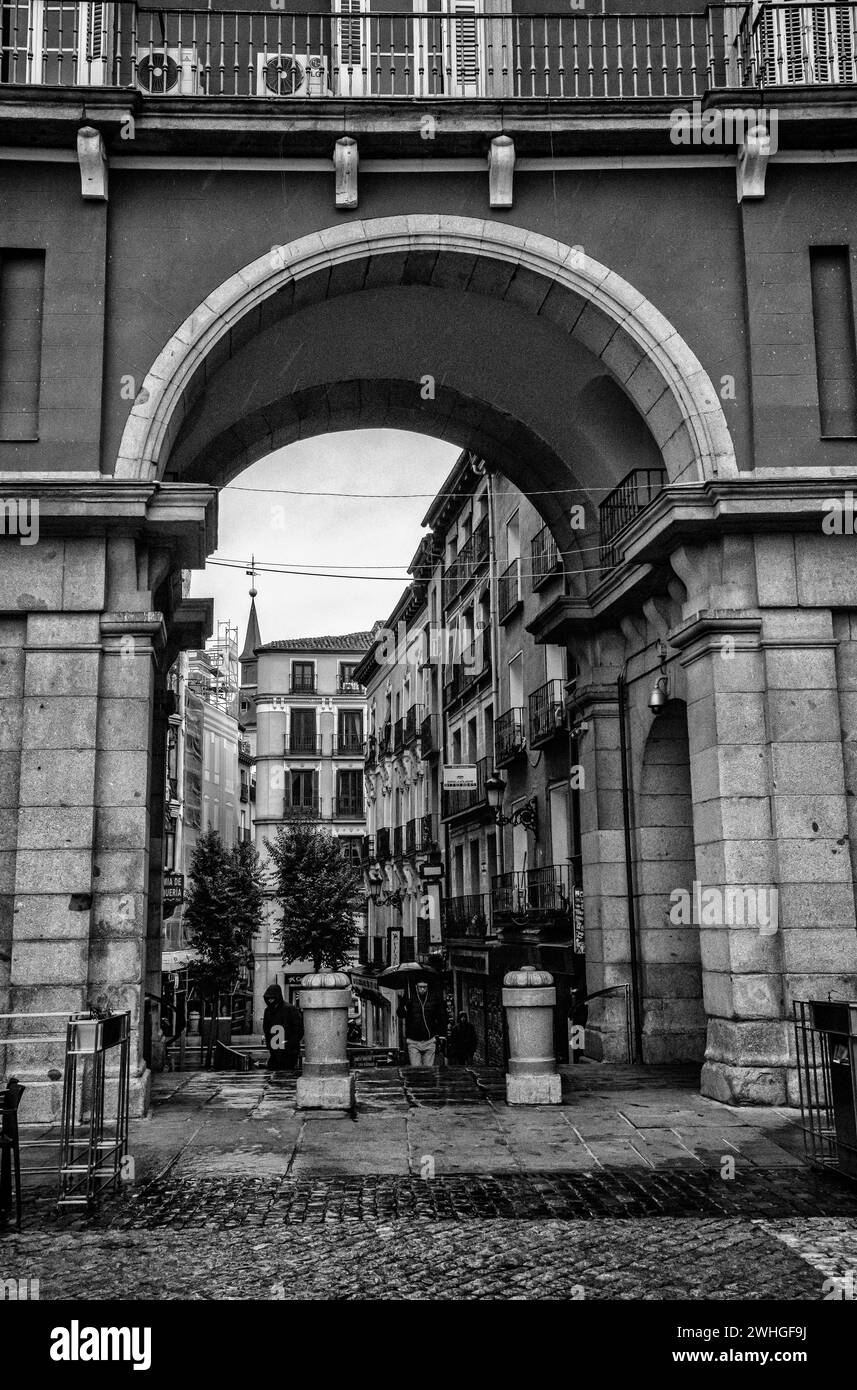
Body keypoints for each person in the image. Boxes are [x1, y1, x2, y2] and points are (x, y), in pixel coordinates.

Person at [397, 980, 446, 1067]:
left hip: (429, 1040)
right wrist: (405, 1006)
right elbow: (400, 1014)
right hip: (413, 1041)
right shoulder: (409, 996)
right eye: (420, 987)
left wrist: (441, 1035)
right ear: (416, 987)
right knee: (416, 1070)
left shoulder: (433, 997)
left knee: (428, 1071)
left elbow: (441, 1016)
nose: (423, 989)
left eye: (425, 987)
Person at [262, 983, 303, 1072]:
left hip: (289, 1051)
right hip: (275, 1049)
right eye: (268, 999)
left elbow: (299, 1029)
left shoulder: (290, 1009)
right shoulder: (268, 1011)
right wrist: (270, 1045)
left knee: (286, 1074)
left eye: (272, 998)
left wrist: (289, 1043)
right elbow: (266, 1029)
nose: (270, 1001)